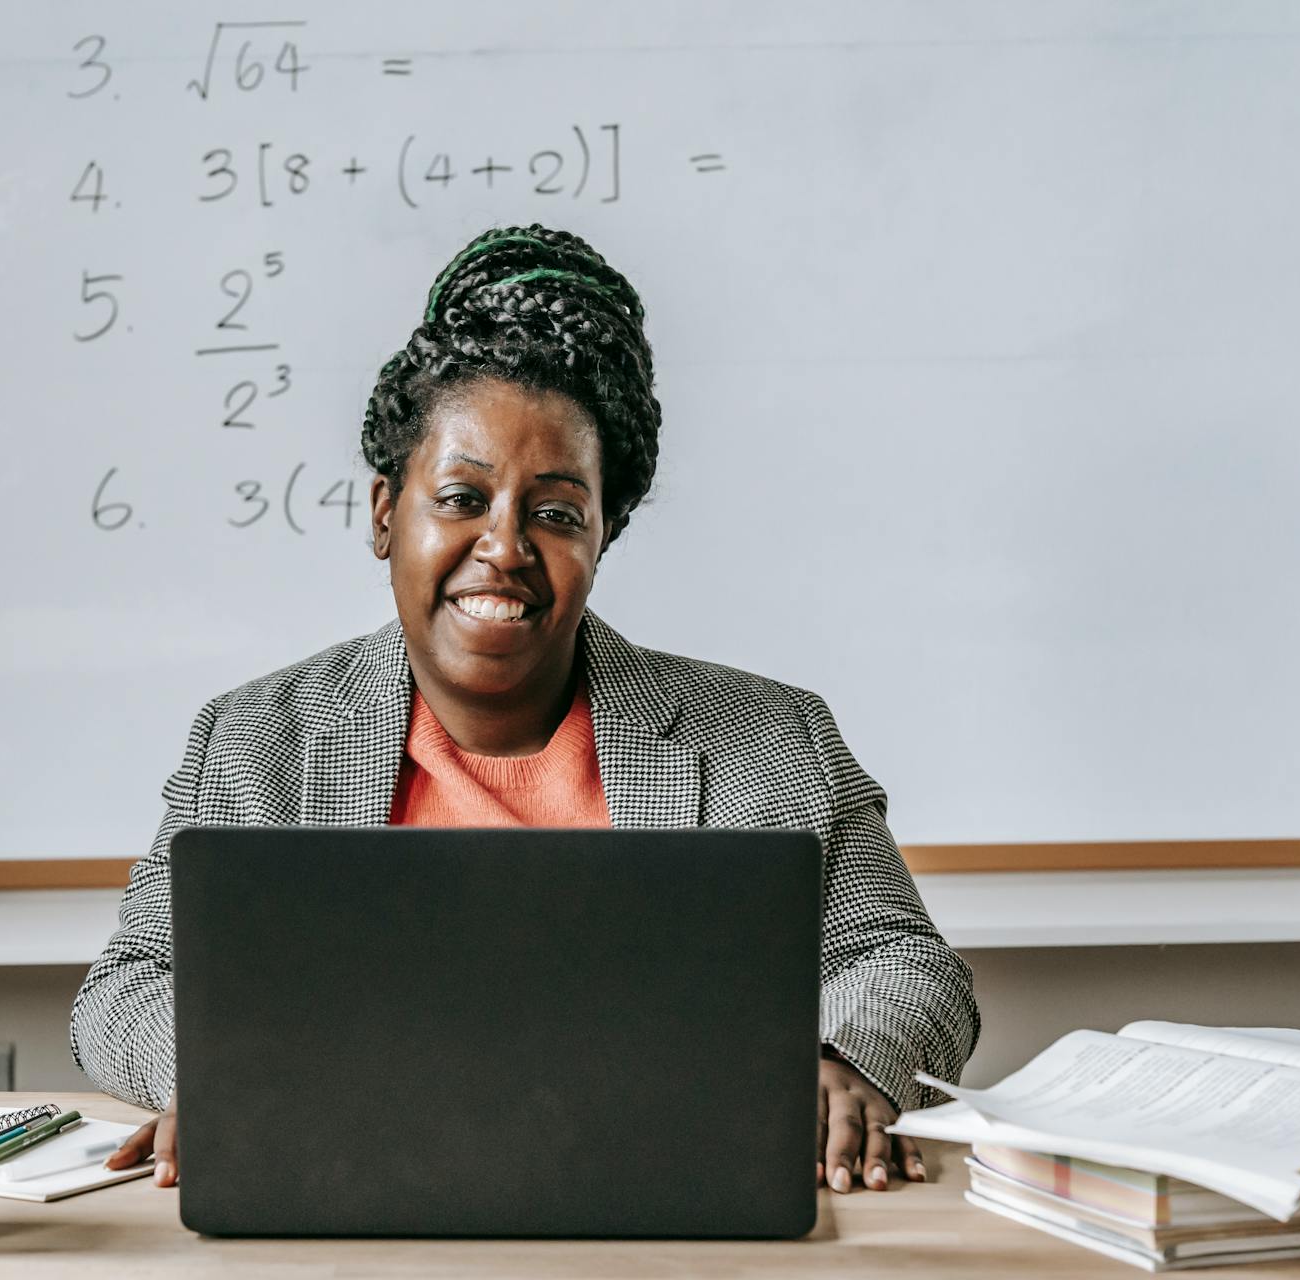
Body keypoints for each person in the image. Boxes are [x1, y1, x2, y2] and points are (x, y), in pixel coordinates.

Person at [72, 224, 980, 1196]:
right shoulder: (256, 741)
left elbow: (906, 962)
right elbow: (124, 986)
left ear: (602, 534)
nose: (503, 546)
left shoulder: (769, 738)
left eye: (554, 512)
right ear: (387, 512)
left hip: (672, 1212)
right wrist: (226, 1066)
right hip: (355, 1206)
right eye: (462, 496)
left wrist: (846, 1057)